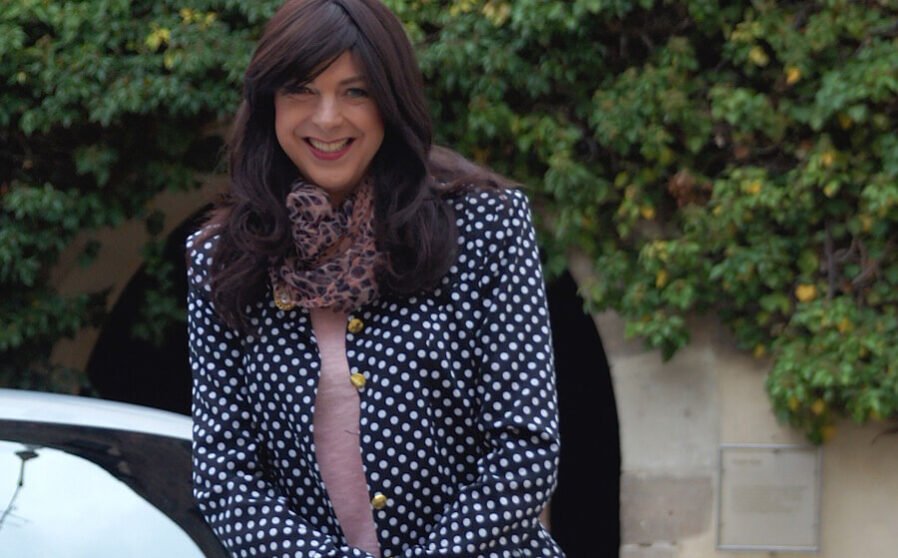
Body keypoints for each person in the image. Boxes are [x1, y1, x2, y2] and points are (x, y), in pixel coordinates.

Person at [186, 1, 564, 556]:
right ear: (269, 103)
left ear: (391, 100)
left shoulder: (487, 224)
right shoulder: (222, 259)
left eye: (355, 91)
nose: (327, 118)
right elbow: (225, 476)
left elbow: (525, 448)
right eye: (301, 90)